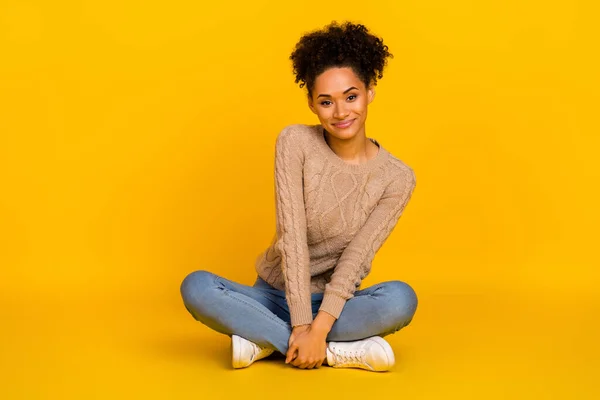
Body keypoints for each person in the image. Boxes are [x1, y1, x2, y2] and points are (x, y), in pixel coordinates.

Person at [180, 20, 418, 372]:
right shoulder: (295, 142)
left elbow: (356, 259)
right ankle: (333, 353)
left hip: (335, 307)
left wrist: (318, 326)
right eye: (326, 102)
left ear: (370, 92)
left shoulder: (397, 178)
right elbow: (293, 240)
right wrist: (302, 327)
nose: (340, 113)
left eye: (351, 96)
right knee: (197, 287)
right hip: (272, 297)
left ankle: (264, 341)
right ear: (311, 103)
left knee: (401, 299)